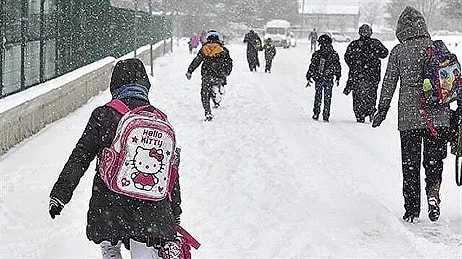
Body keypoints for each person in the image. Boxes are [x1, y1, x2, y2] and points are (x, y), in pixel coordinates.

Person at [48, 58, 183, 258]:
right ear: (145, 85)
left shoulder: (103, 114)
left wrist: (60, 193)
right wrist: (175, 210)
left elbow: (81, 155)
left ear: (115, 85)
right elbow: (169, 170)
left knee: (110, 244)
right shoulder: (158, 119)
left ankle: (111, 250)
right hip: (151, 209)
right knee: (144, 251)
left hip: (109, 203)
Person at [372, 6, 455, 223]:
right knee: (434, 160)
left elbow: (389, 83)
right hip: (438, 116)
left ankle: (411, 210)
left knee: (410, 164)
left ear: (401, 28)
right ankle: (433, 192)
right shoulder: (436, 48)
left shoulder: (399, 51)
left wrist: (382, 110)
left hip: (409, 117)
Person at [344, 24, 389, 123]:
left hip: (357, 75)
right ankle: (370, 111)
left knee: (358, 96)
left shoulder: (354, 44)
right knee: (371, 95)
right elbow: (385, 53)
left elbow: (347, 57)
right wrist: (374, 54)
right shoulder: (375, 43)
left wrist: (354, 65)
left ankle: (360, 114)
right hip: (373, 75)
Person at [186, 30, 233, 121]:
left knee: (205, 93)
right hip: (219, 75)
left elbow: (197, 61)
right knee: (217, 85)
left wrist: (190, 71)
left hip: (206, 75)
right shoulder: (224, 50)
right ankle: (219, 90)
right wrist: (226, 73)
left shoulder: (204, 49)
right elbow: (229, 63)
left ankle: (208, 112)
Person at [305, 34, 341, 122]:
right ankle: (326, 114)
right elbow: (337, 66)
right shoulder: (334, 54)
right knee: (327, 97)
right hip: (329, 78)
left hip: (319, 77)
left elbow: (312, 66)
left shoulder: (317, 54)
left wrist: (309, 75)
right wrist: (337, 76)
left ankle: (316, 113)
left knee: (318, 96)